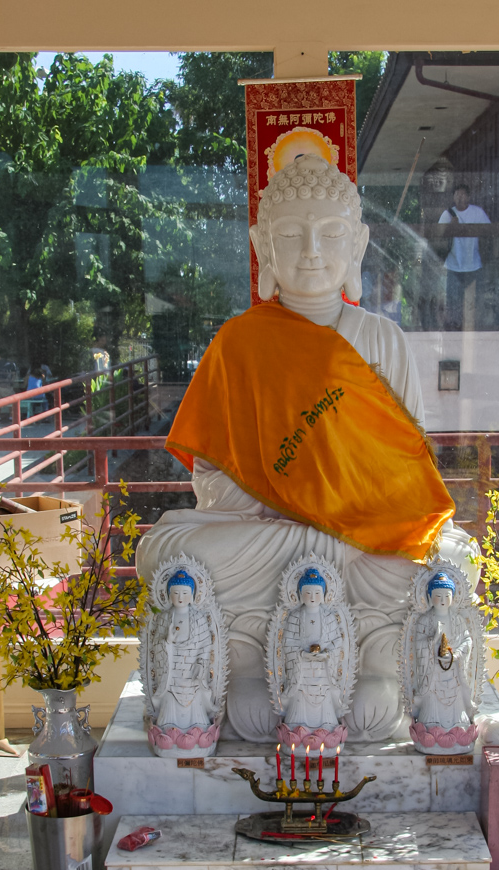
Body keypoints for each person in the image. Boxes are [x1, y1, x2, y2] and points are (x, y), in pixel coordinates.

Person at [136, 153, 465, 743]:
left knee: (444, 559)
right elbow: (210, 478)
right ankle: (250, 668)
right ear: (263, 244)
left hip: (362, 535)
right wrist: (279, 499)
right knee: (168, 551)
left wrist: (338, 505)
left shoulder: (380, 338)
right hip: (267, 528)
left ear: (359, 245)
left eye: (331, 233)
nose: (312, 249)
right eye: (291, 234)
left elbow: (408, 467)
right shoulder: (238, 344)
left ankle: (375, 668)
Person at [150, 570, 218, 731]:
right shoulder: (164, 618)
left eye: (185, 593)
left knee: (196, 712)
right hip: (171, 677)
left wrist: (201, 664)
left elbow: (206, 644)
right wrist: (167, 642)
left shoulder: (199, 618)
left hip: (192, 674)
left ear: (193, 595)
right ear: (168, 595)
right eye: (175, 592)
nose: (180, 597)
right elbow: (155, 645)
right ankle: (167, 731)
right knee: (168, 715)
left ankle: (199, 730)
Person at [280, 568, 346, 731]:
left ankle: (328, 727)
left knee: (324, 698)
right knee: (300, 697)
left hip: (324, 668)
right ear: (300, 594)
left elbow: (337, 641)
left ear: (324, 595)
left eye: (317, 593)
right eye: (307, 592)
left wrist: (327, 654)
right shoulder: (295, 617)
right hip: (302, 669)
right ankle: (296, 728)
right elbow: (288, 642)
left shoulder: (329, 617)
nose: (312, 597)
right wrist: (301, 655)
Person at [410, 571, 476, 732]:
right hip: (432, 673)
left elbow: (467, 640)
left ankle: (458, 726)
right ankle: (430, 725)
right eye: (438, 596)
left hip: (454, 670)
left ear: (453, 597)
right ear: (429, 597)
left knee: (457, 702)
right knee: (432, 704)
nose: (442, 600)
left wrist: (456, 655)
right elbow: (417, 644)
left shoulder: (457, 620)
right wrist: (432, 642)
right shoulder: (424, 620)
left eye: (447, 596)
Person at [438, 183, 491, 330]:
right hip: (453, 265)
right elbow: (438, 237)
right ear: (453, 197)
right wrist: (451, 227)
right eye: (457, 194)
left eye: (463, 194)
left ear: (469, 197)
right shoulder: (447, 214)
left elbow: (489, 232)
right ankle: (454, 331)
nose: (460, 197)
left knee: (475, 302)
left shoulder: (478, 213)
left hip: (474, 265)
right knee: (453, 303)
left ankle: (474, 330)